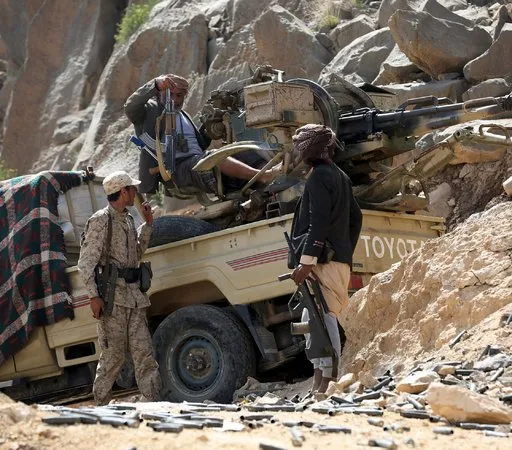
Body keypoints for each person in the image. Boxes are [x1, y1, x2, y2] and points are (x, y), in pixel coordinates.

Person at [288, 124, 363, 394]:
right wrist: (344, 251)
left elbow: (317, 223)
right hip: (334, 260)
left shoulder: (320, 177)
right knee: (314, 319)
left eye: (300, 146)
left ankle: (330, 380)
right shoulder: (340, 175)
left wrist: (308, 261)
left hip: (322, 262)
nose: (297, 151)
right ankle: (320, 378)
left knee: (326, 319)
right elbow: (356, 219)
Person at [77, 170, 162, 405]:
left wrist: (147, 225)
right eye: (132, 189)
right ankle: (101, 407)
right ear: (123, 192)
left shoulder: (128, 219)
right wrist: (94, 297)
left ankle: (154, 403)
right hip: (113, 300)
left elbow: (136, 253)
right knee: (112, 358)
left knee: (144, 354)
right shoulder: (100, 221)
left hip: (134, 297)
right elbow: (85, 264)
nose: (135, 192)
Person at [124, 73, 277, 195]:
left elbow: (200, 145)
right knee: (214, 157)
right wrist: (155, 84)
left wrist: (211, 127)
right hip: (177, 170)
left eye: (180, 95)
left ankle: (270, 178)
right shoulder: (149, 111)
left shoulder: (183, 116)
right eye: (172, 94)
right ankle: (265, 175)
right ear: (160, 93)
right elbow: (130, 106)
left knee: (246, 151)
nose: (176, 100)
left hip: (197, 161)